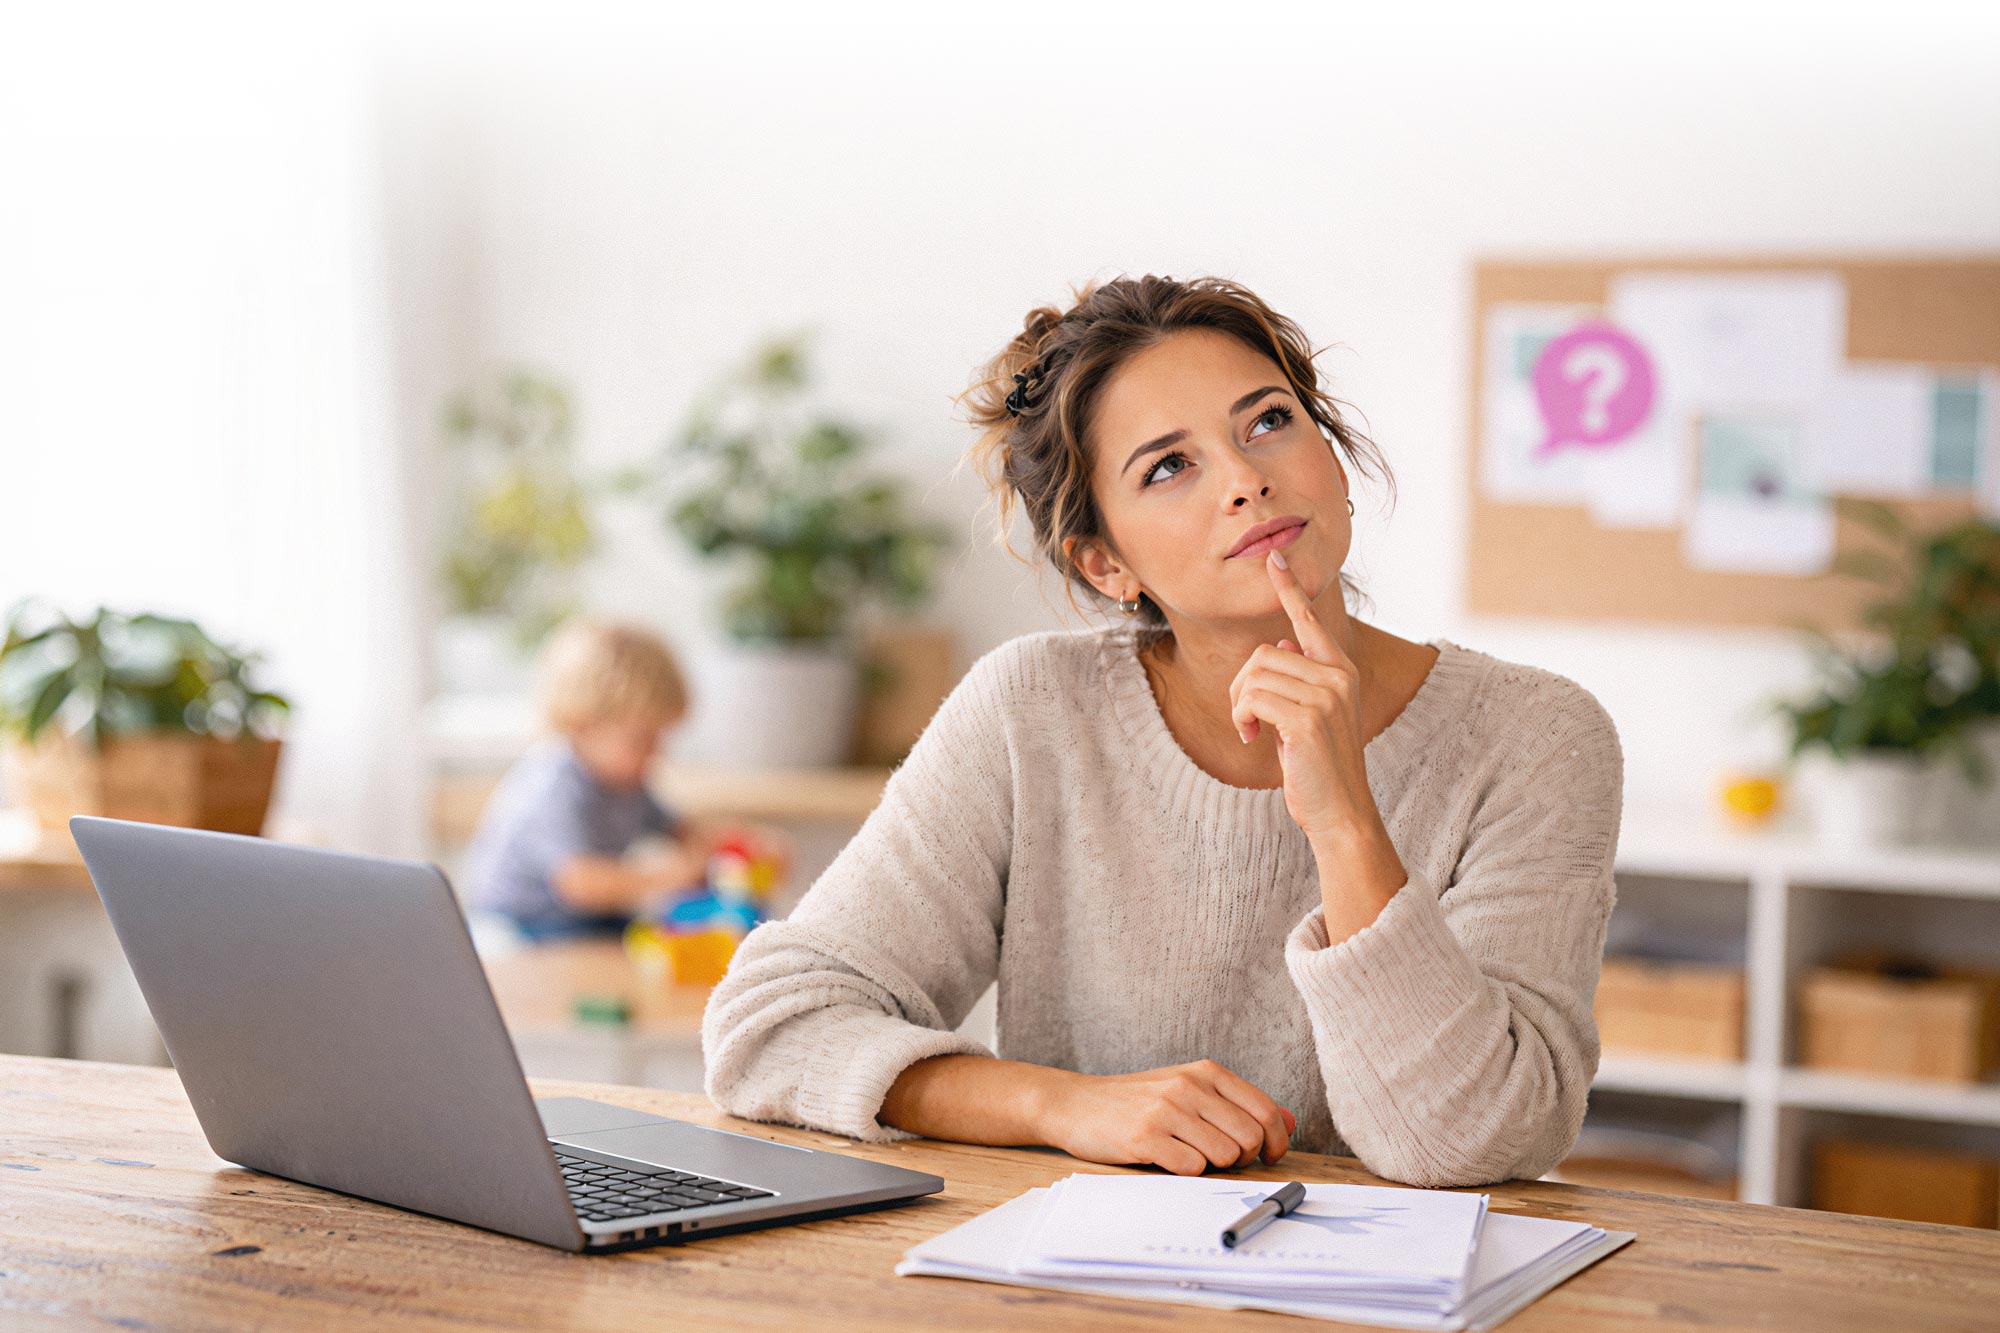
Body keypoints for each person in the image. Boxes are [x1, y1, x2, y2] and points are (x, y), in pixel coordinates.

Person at [700, 274, 1623, 1188]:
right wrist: (1059, 1105)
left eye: (1268, 421)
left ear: (1332, 456)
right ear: (1106, 563)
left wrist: (1346, 822)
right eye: (1169, 466)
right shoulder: (1033, 712)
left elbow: (1476, 1142)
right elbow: (770, 1027)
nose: (1247, 480)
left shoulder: (1536, 736)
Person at [464, 616, 790, 944]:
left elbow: (683, 830)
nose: (656, 753)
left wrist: (743, 846)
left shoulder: (627, 781)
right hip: (520, 925)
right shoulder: (552, 786)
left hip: (584, 921)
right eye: (641, 740)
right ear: (583, 726)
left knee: (665, 932)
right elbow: (581, 884)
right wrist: (671, 876)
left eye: (660, 738)